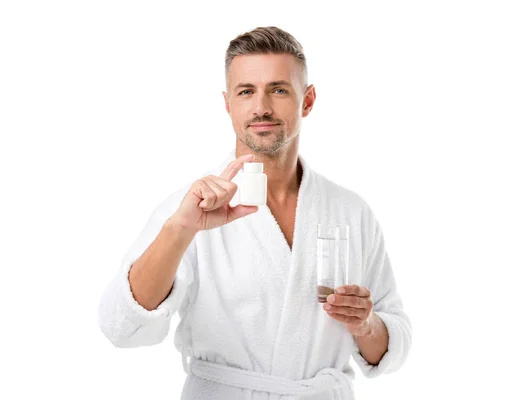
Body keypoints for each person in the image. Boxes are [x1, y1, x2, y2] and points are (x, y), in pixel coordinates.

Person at [98, 26, 411, 400]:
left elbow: (393, 345)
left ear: (307, 100)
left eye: (278, 90)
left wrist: (366, 323)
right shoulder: (187, 210)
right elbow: (122, 325)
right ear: (229, 103)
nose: (261, 107)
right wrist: (181, 228)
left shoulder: (350, 210)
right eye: (246, 92)